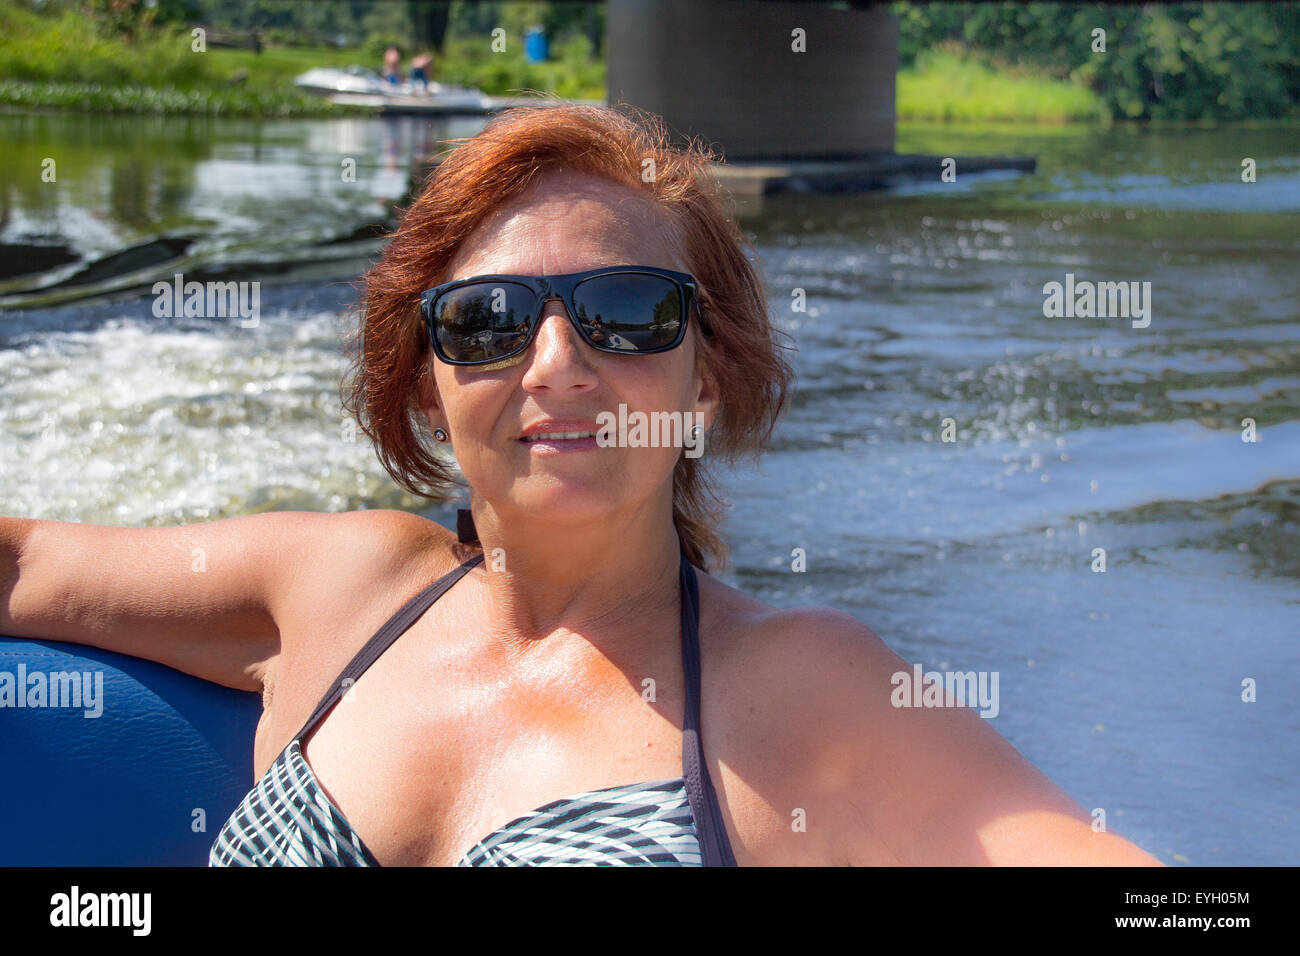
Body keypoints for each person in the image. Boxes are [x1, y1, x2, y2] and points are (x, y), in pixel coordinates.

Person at [0, 103, 1163, 866]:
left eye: (626, 313)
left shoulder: (803, 691)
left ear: (706, 377)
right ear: (422, 386)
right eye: (487, 321)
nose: (557, 365)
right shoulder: (334, 585)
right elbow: (27, 563)